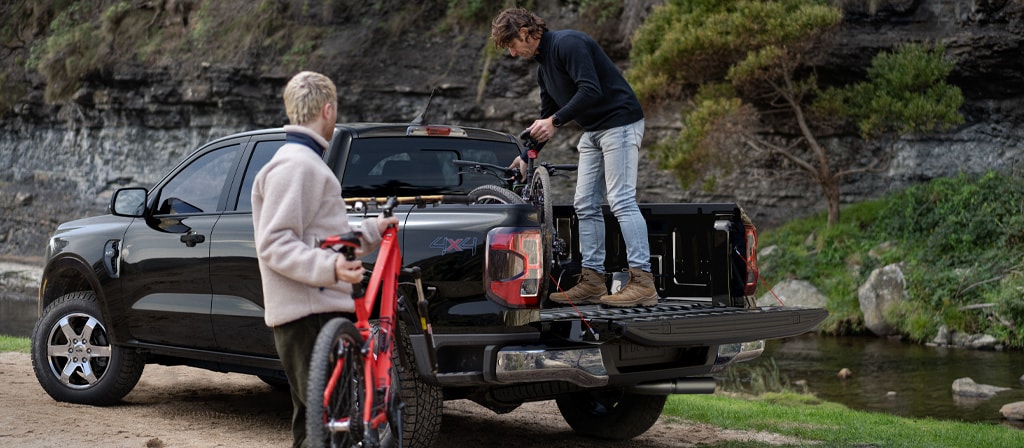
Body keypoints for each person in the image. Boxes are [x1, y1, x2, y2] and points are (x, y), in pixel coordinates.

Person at [251, 71, 398, 447]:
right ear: (328, 110)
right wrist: (330, 267)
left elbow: (321, 236)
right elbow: (275, 242)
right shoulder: (297, 165)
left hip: (310, 311)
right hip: (309, 313)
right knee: (331, 426)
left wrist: (371, 231)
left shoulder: (301, 162)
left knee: (316, 424)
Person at [491, 7, 658, 307]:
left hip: (620, 123)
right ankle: (593, 281)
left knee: (621, 200)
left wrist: (555, 121)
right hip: (593, 130)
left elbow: (590, 90)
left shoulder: (568, 43)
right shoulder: (543, 69)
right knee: (584, 203)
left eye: (512, 45)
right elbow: (547, 114)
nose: (512, 53)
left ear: (525, 32)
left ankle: (643, 282)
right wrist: (526, 156)